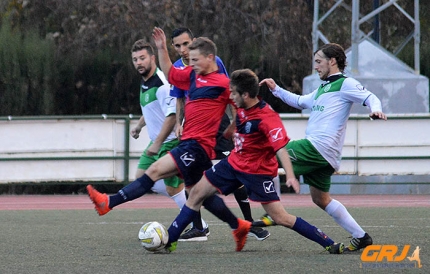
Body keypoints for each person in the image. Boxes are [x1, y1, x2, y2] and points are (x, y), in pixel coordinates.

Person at [160, 68, 344, 254]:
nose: (230, 95)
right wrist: (231, 130)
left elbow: (280, 148)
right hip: (234, 163)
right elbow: (238, 116)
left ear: (245, 95)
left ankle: (328, 243)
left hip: (258, 172)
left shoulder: (267, 118)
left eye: (233, 92)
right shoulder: (242, 103)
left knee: (281, 217)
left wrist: (290, 175)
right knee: (196, 193)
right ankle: (170, 239)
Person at [86, 27, 234, 244]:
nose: (187, 58)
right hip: (185, 141)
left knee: (166, 179)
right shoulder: (189, 75)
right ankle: (238, 226)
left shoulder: (219, 81)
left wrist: (234, 128)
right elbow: (173, 78)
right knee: (196, 194)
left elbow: (237, 100)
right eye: (179, 48)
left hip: (191, 144)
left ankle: (111, 203)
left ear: (209, 58)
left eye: (192, 55)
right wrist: (162, 47)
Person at [259, 43, 387, 252]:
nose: (316, 67)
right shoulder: (323, 88)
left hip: (317, 147)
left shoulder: (345, 84)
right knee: (320, 199)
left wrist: (376, 110)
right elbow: (300, 101)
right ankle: (361, 236)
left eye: (319, 62)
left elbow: (370, 97)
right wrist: (276, 90)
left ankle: (274, 212)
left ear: (332, 61)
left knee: (270, 153)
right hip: (326, 154)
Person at [170, 27, 269, 242]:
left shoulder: (211, 61)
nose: (182, 50)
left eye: (185, 44)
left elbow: (229, 93)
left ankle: (249, 224)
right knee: (191, 178)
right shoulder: (178, 68)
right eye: (177, 46)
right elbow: (179, 97)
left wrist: (236, 125)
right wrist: (179, 123)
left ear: (194, 42)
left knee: (235, 171)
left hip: (218, 126)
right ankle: (198, 227)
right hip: (194, 130)